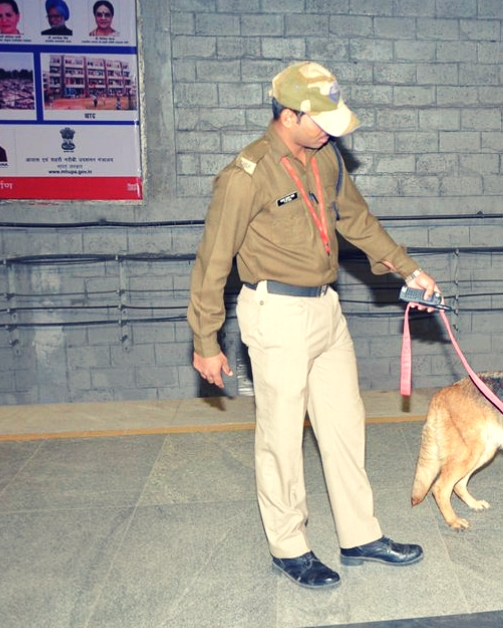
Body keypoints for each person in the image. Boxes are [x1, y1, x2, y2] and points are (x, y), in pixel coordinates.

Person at [187, 61, 443, 590]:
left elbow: (357, 221)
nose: (331, 131)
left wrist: (408, 268)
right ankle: (290, 547)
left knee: (345, 426)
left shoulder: (325, 158)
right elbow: (212, 261)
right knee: (281, 437)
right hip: (275, 313)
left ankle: (360, 535)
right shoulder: (247, 175)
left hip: (327, 309)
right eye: (320, 120)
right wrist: (205, 340)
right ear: (288, 115)